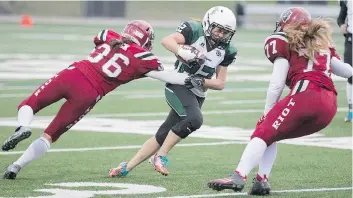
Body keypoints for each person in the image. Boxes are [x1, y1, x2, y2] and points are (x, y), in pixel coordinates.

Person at [2, 20, 202, 179]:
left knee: (29, 104)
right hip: (90, 93)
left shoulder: (109, 35)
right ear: (144, 39)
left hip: (73, 74)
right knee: (49, 135)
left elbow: (100, 39)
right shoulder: (144, 57)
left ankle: (23, 126)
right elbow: (167, 76)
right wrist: (193, 78)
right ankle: (16, 165)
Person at [207, 7, 353, 195]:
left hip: (306, 94)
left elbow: (276, 83)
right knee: (272, 134)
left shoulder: (284, 41)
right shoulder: (321, 44)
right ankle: (261, 180)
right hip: (330, 105)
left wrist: (268, 111)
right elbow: (346, 71)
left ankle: (239, 176)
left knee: (263, 131)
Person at [109, 6, 238, 177]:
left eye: (225, 32)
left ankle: (126, 167)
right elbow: (167, 40)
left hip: (197, 92)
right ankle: (161, 156)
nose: (221, 35)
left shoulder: (228, 50)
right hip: (177, 83)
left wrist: (200, 81)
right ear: (208, 23)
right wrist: (182, 51)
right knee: (195, 119)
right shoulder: (194, 29)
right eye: (218, 29)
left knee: (163, 134)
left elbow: (220, 83)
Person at [337, 0, 352, 122]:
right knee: (350, 75)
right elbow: (341, 18)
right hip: (351, 40)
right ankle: (351, 110)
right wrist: (342, 24)